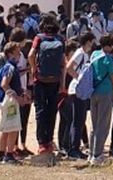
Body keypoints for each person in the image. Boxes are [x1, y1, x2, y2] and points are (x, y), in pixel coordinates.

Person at [28, 14, 65, 157]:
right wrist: (62, 83)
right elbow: (63, 64)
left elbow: (31, 55)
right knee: (52, 111)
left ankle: (41, 143)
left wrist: (33, 70)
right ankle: (49, 141)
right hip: (55, 80)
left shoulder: (38, 38)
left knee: (40, 111)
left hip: (40, 80)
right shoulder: (60, 40)